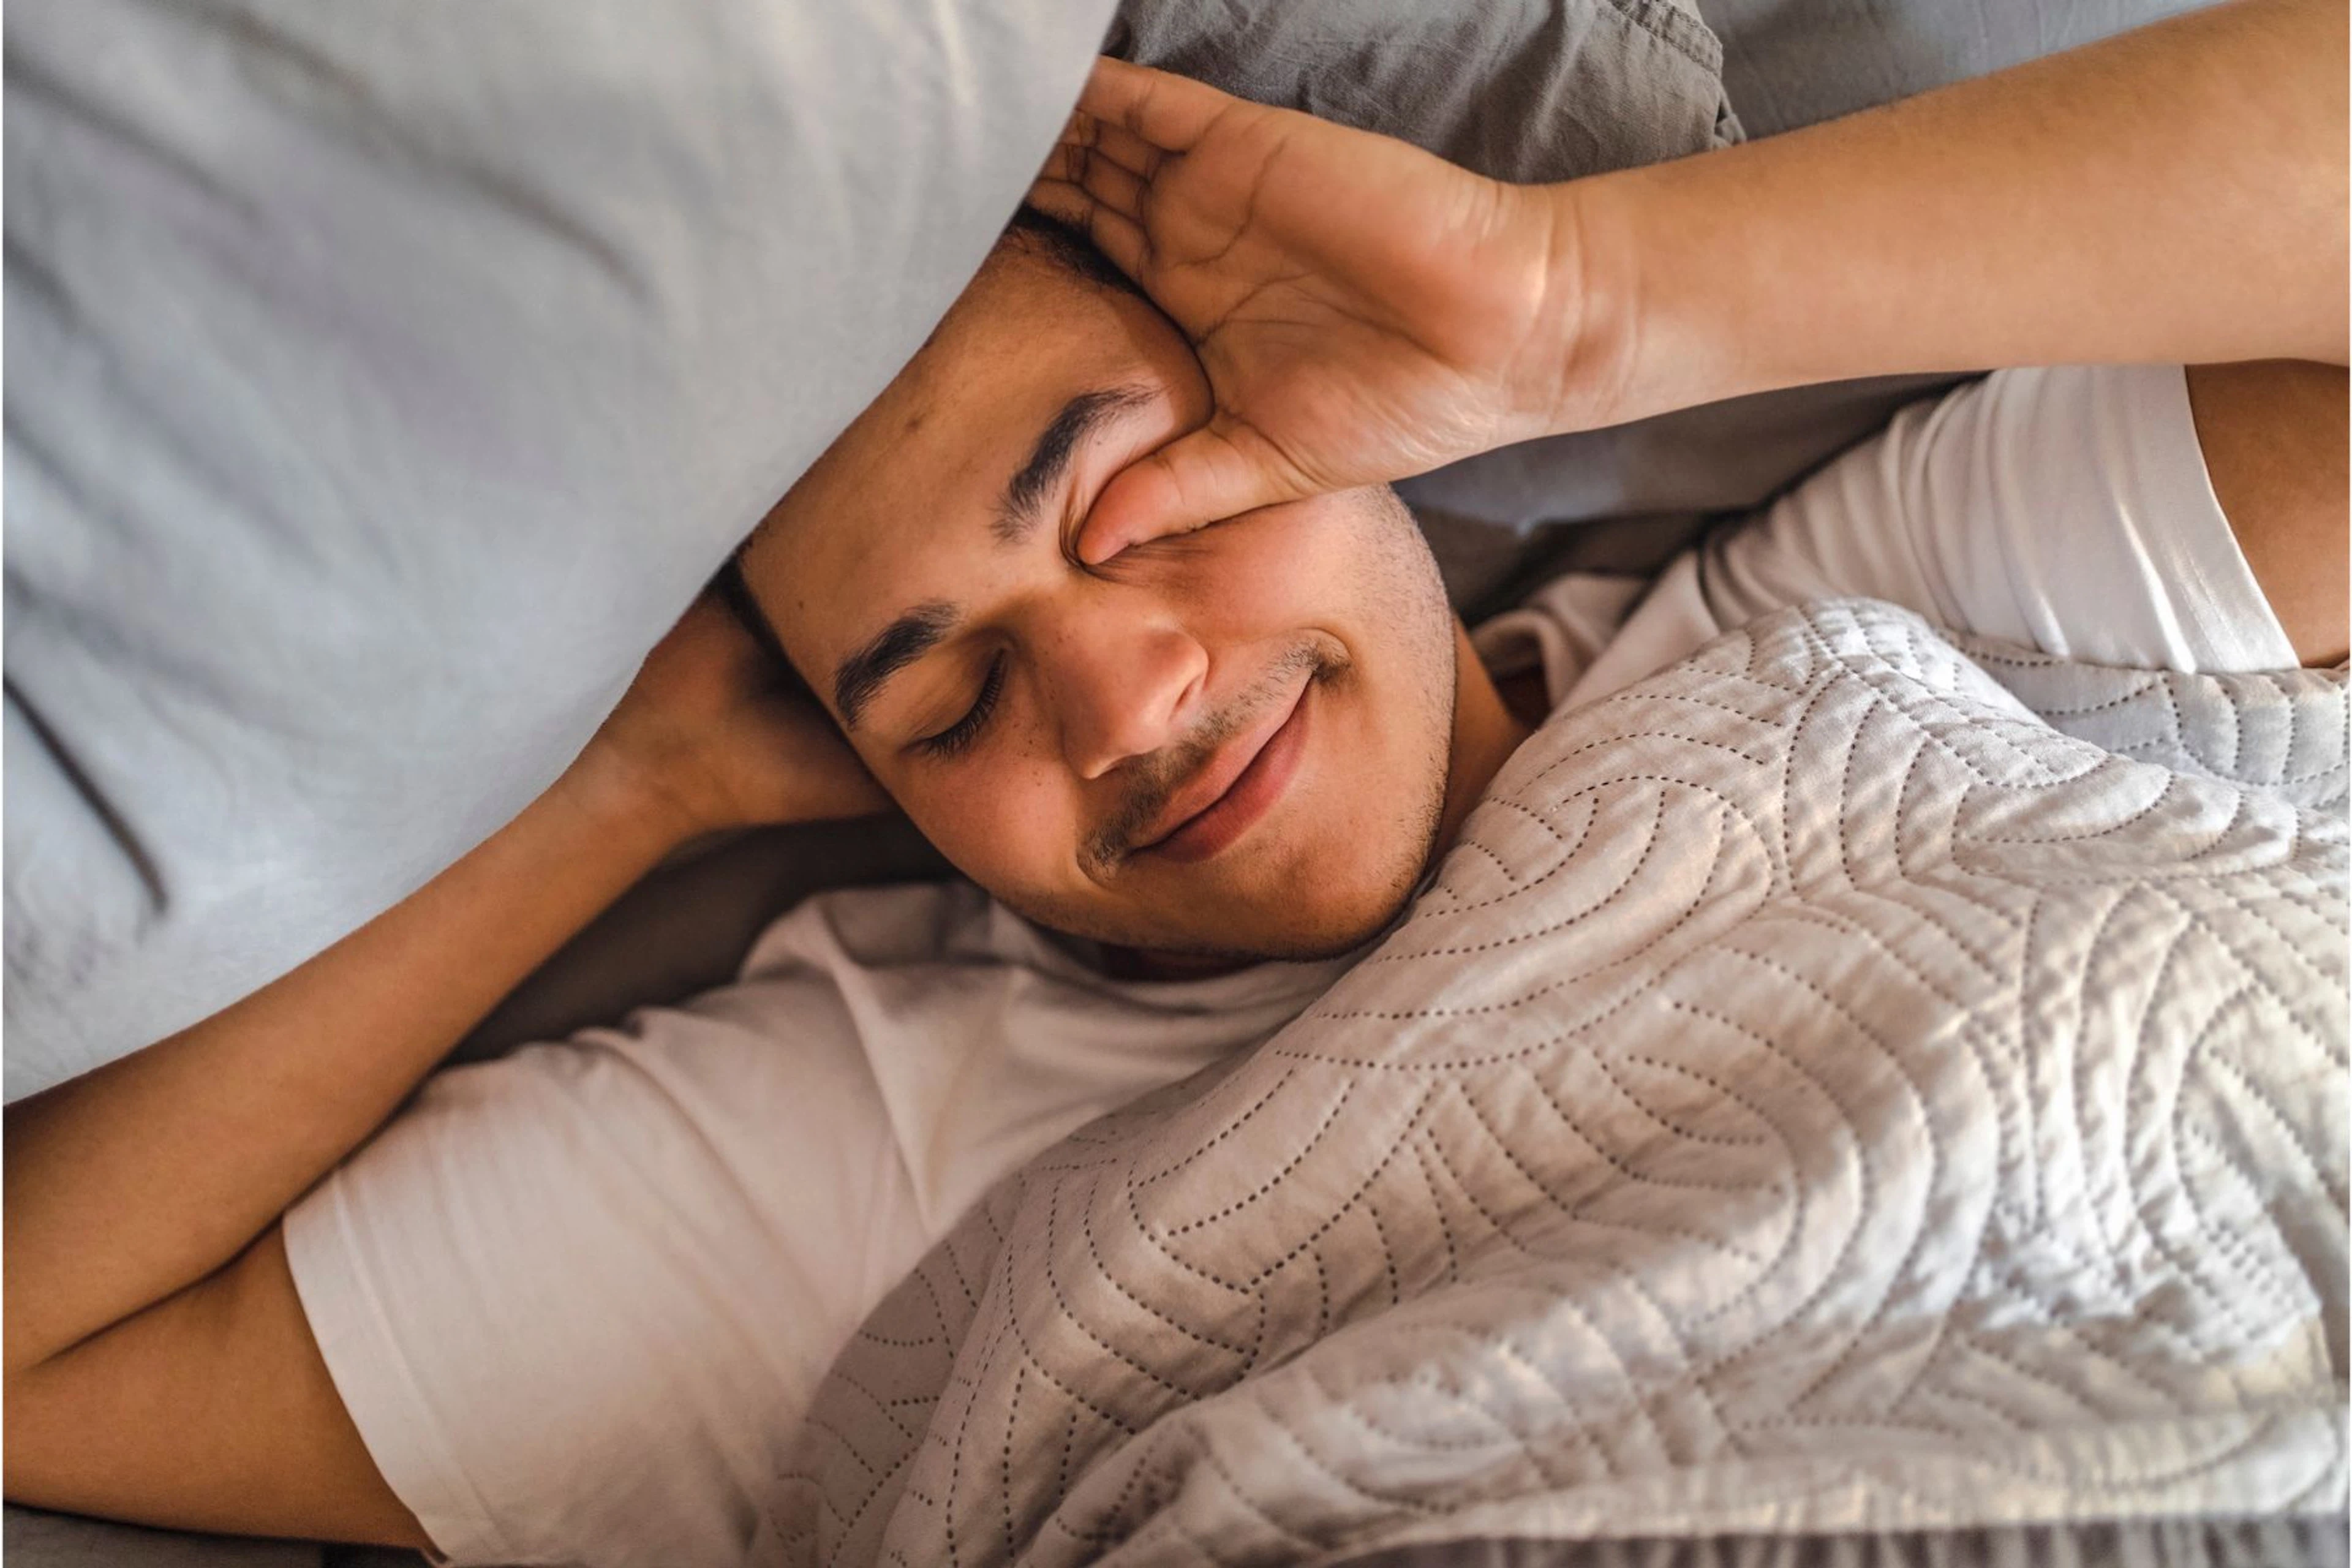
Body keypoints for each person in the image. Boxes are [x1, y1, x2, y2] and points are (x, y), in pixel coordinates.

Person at [6, 1, 2343, 1561]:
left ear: (1344, 423)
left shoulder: (1858, 613)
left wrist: (1570, 310)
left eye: (1152, 504)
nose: (1117, 707)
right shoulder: (874, 1142)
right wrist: (625, 787)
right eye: (940, 705)